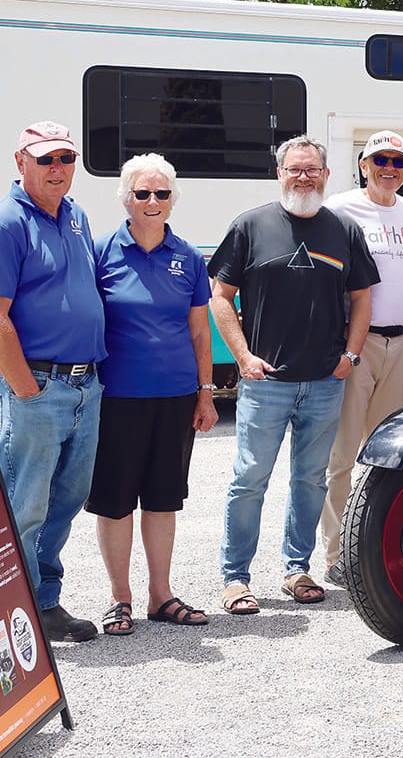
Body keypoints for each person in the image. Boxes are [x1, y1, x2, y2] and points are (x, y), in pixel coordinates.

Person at [208, 135, 378, 615]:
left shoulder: (343, 230)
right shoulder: (250, 226)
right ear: (279, 172)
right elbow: (220, 297)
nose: (303, 176)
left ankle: (296, 569)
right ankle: (236, 578)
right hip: (266, 384)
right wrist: (243, 357)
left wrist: (352, 355)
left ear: (326, 175)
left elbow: (362, 298)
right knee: (249, 480)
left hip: (325, 382)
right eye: (294, 169)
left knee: (310, 480)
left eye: (312, 170)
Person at [87, 154, 219, 635]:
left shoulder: (187, 256)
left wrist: (205, 395)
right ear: (126, 197)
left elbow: (201, 334)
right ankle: (118, 598)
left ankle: (159, 595)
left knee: (163, 500)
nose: (152, 201)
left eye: (162, 193)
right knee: (115, 501)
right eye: (143, 193)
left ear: (172, 199)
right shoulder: (101, 250)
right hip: (116, 396)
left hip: (176, 396)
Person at [0, 121, 106, 642]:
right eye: (45, 159)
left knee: (66, 499)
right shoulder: (6, 221)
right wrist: (26, 390)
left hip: (85, 387)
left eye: (65, 158)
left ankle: (43, 603)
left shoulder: (77, 215)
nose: (57, 168)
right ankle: (8, 617)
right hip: (38, 386)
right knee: (25, 504)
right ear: (20, 162)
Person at [318, 131, 403, 587]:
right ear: (363, 165)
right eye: (379, 159)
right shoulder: (341, 209)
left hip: (401, 342)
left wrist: (401, 321)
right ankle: (337, 552)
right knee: (342, 455)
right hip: (356, 345)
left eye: (398, 161)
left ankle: (374, 540)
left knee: (388, 453)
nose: (389, 167)